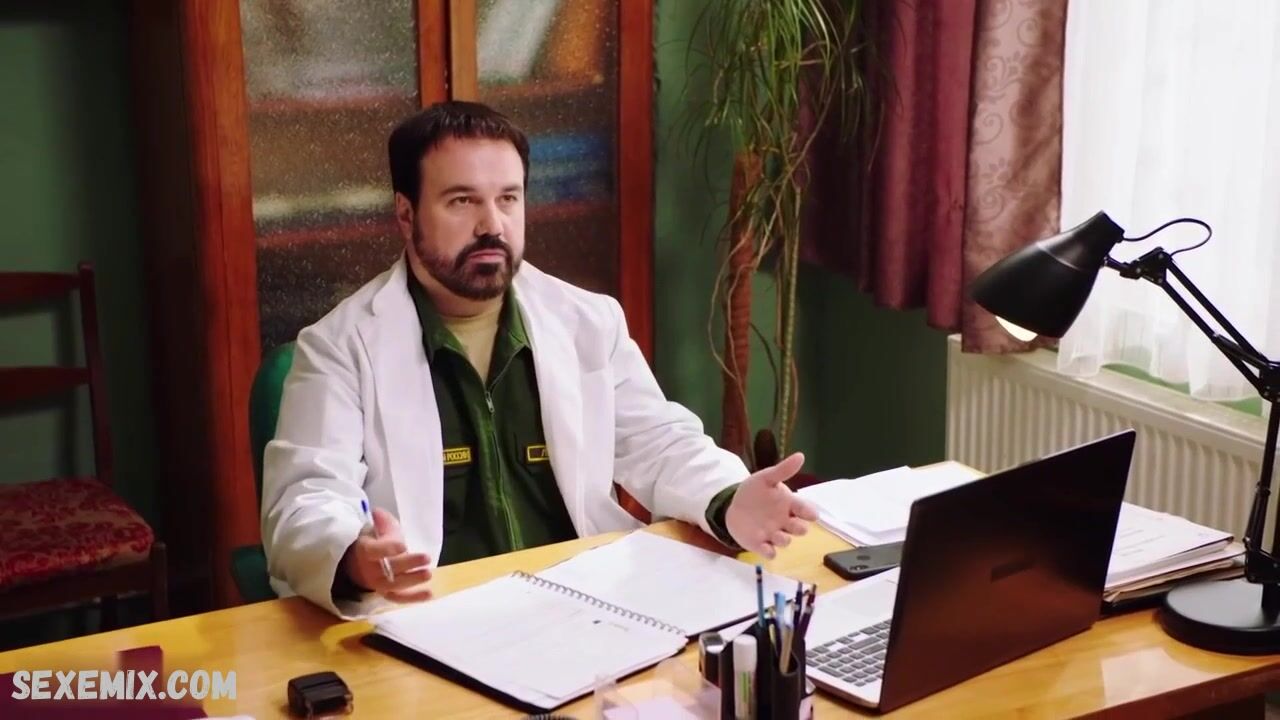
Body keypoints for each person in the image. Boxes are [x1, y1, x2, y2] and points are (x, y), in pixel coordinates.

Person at [260, 101, 817, 618]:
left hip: (588, 605)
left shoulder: (587, 320)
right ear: (406, 215)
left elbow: (659, 443)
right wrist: (354, 556)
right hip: (437, 619)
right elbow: (306, 498)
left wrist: (729, 498)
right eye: (462, 201)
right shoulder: (339, 346)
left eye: (508, 198)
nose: (492, 225)